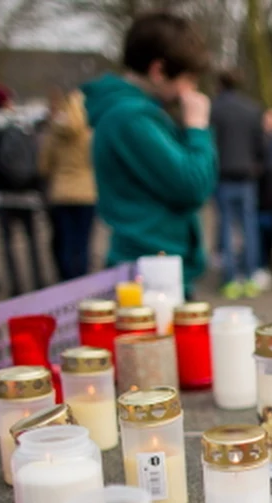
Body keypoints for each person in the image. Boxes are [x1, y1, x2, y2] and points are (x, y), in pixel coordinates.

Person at [82, 12, 216, 297]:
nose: (191, 89)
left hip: (156, 264)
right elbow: (192, 185)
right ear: (158, 70)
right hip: (151, 273)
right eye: (188, 78)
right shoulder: (130, 118)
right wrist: (198, 128)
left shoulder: (136, 114)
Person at [0, 83, 47, 296]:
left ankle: (16, 286)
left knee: (7, 242)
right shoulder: (20, 124)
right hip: (27, 191)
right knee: (32, 240)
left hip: (0, 194)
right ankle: (38, 281)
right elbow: (36, 156)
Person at [210, 68, 265, 300]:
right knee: (249, 227)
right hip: (247, 176)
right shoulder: (252, 109)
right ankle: (251, 275)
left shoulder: (214, 110)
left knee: (226, 227)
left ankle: (231, 279)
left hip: (223, 176)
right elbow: (261, 144)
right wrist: (257, 165)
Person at [39, 87, 97, 281]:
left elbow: (44, 165)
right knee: (82, 244)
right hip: (86, 193)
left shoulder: (54, 134)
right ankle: (81, 283)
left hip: (60, 192)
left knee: (65, 242)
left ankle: (65, 282)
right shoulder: (89, 135)